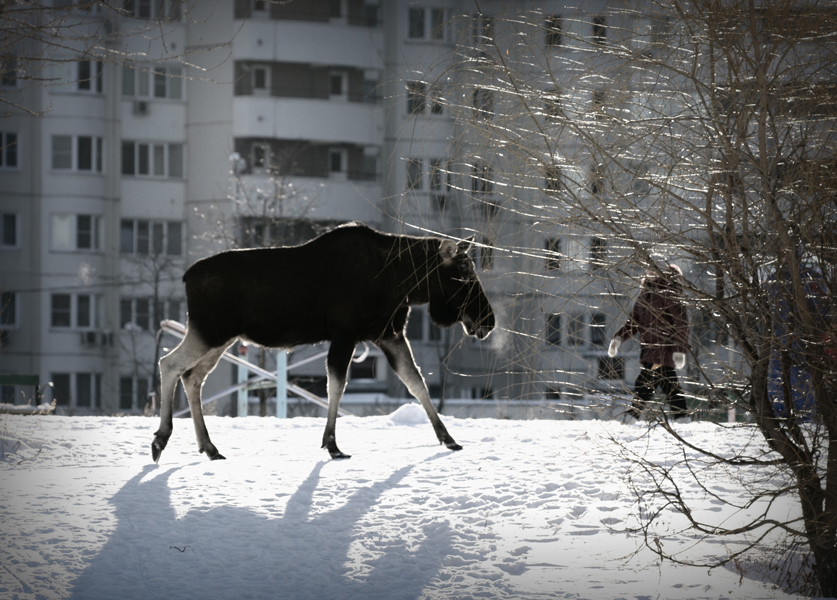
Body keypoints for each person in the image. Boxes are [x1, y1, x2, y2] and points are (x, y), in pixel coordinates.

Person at [608, 254, 689, 419]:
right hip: (648, 350)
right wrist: (618, 339)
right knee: (667, 385)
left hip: (664, 349)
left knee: (646, 384)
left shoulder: (669, 292)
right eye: (649, 268)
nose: (650, 271)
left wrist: (679, 350)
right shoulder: (644, 294)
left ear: (662, 270)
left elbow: (681, 323)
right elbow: (634, 323)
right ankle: (682, 418)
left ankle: (633, 416)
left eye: (655, 268)